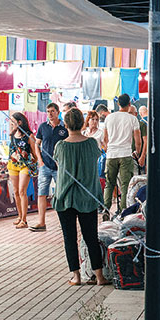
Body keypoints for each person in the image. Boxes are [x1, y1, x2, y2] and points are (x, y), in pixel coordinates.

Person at [54, 108, 111, 287]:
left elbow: (58, 163)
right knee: (91, 237)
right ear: (83, 122)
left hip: (65, 198)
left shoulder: (60, 146)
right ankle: (99, 276)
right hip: (87, 197)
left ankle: (76, 276)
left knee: (69, 238)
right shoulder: (91, 144)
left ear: (66, 124)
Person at [102, 94, 141, 218]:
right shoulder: (132, 119)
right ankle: (124, 212)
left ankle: (106, 209)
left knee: (110, 183)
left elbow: (105, 139)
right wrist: (137, 152)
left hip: (111, 154)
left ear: (118, 104)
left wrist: (108, 148)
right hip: (125, 154)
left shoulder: (109, 118)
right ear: (129, 104)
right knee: (125, 185)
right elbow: (138, 140)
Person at [33, 103, 69, 231]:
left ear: (58, 112)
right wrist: (40, 161)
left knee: (61, 194)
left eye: (52, 111)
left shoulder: (65, 127)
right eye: (48, 111)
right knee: (42, 193)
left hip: (60, 166)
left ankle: (64, 222)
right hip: (45, 166)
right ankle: (41, 222)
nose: (50, 114)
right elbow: (37, 144)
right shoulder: (43, 127)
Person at [7, 113, 36, 229]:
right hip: (13, 164)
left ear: (20, 122)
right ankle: (19, 216)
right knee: (16, 191)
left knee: (22, 190)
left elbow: (35, 153)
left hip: (25, 165)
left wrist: (34, 163)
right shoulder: (12, 135)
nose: (11, 123)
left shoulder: (29, 136)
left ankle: (24, 219)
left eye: (13, 121)